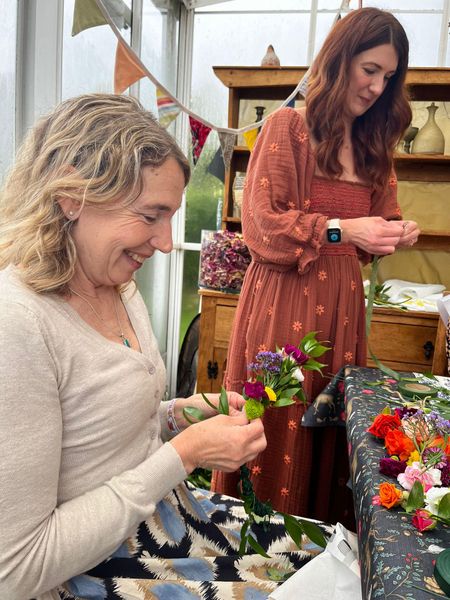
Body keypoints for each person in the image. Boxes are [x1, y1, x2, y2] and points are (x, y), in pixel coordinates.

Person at [0, 94, 330, 600]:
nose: (167, 243)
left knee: (329, 556)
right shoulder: (18, 325)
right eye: (151, 215)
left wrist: (177, 416)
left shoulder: (117, 285)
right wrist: (181, 456)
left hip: (163, 516)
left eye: (170, 217)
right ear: (72, 197)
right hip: (87, 569)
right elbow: (18, 568)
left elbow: (93, 435)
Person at [212, 7, 420, 525]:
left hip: (343, 311)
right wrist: (344, 230)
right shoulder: (288, 128)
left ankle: (318, 557)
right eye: (369, 69)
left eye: (388, 77)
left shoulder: (375, 146)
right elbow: (260, 228)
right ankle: (257, 551)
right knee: (278, 424)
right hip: (284, 303)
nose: (376, 87)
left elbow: (379, 223)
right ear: (340, 58)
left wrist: (393, 232)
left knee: (328, 432)